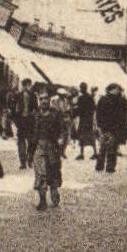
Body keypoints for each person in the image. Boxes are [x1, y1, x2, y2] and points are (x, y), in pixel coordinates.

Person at [31, 83, 70, 211]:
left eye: (46, 99)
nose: (43, 101)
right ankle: (42, 200)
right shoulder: (35, 114)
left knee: (53, 171)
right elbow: (31, 132)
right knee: (40, 173)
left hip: (52, 147)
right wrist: (30, 151)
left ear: (49, 100)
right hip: (39, 147)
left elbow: (63, 130)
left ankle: (54, 189)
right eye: (41, 99)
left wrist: (61, 140)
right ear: (38, 100)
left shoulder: (56, 114)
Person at [94, 83, 127, 172]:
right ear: (112, 89)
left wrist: (99, 125)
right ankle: (109, 167)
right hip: (112, 127)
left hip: (107, 127)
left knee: (105, 147)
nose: (119, 91)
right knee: (110, 147)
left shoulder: (104, 99)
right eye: (118, 89)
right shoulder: (118, 100)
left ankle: (101, 166)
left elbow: (98, 114)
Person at [10, 79, 38, 170]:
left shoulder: (33, 96)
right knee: (22, 142)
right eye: (29, 85)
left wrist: (33, 115)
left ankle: (29, 160)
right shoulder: (17, 95)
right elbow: (12, 109)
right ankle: (23, 162)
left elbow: (36, 108)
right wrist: (15, 120)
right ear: (25, 86)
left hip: (30, 122)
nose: (30, 87)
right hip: (21, 121)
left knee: (31, 142)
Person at [73, 82, 96, 160]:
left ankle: (82, 154)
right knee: (90, 136)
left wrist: (75, 112)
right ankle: (95, 153)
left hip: (83, 120)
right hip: (89, 120)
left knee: (82, 137)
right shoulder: (90, 97)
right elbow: (94, 108)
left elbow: (79, 109)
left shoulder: (81, 98)